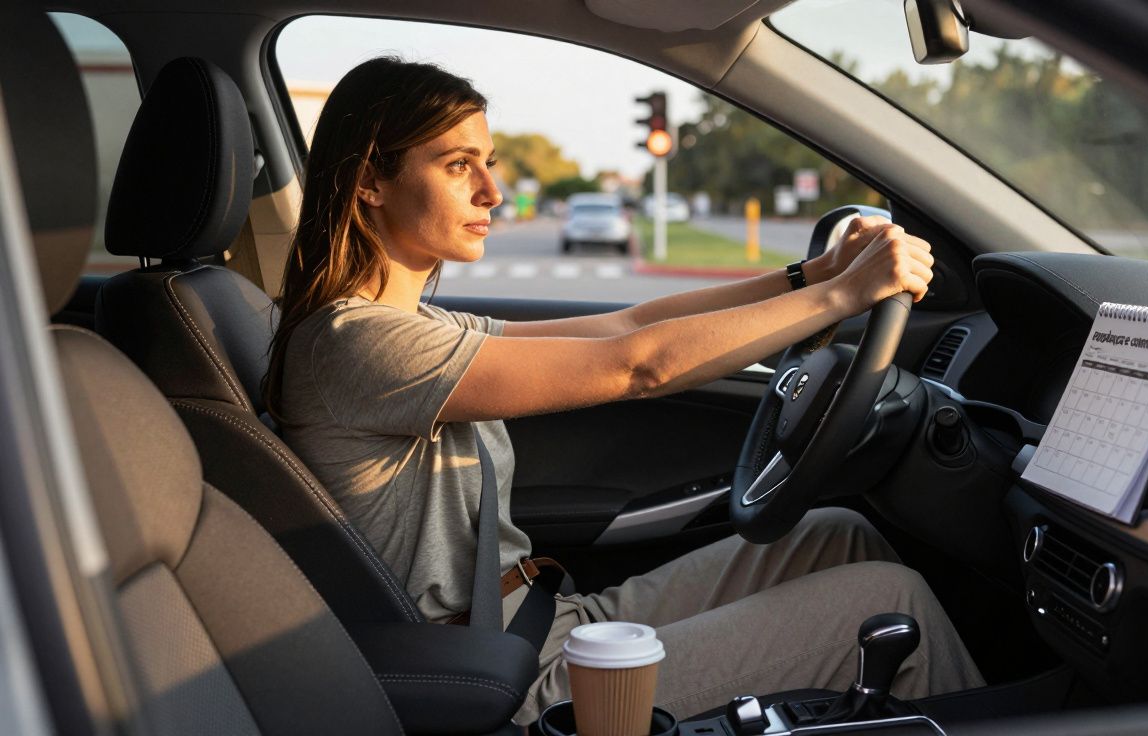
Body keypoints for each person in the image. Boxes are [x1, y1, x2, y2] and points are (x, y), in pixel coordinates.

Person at [265, 57, 984, 724]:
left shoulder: (415, 323)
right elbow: (637, 365)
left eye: (487, 162)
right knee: (893, 602)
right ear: (370, 182)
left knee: (839, 537)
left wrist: (811, 279)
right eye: (459, 166)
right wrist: (846, 296)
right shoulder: (356, 344)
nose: (494, 190)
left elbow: (627, 321)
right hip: (510, 678)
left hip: (548, 620)